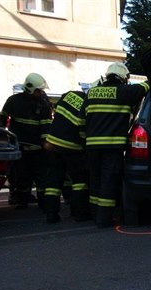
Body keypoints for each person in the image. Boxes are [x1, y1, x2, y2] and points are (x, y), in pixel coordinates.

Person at [83, 63, 149, 227]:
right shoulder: (124, 92)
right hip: (112, 148)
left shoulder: (91, 93)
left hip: (91, 147)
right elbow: (146, 86)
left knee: (95, 180)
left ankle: (94, 214)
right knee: (109, 182)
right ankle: (104, 219)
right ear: (123, 78)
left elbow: (81, 120)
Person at [0, 73, 52, 209]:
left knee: (40, 178)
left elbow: (46, 126)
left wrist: (46, 143)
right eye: (38, 90)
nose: (41, 93)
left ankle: (42, 202)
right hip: (21, 147)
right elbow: (2, 120)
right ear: (29, 88)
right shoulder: (13, 101)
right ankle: (22, 201)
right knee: (22, 177)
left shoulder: (43, 105)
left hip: (37, 149)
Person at [42, 88, 91, 223]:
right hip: (72, 148)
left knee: (53, 182)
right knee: (79, 182)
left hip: (52, 145)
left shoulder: (69, 95)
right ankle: (80, 213)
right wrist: (85, 146)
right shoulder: (87, 104)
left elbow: (57, 111)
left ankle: (51, 215)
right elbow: (82, 130)